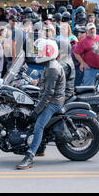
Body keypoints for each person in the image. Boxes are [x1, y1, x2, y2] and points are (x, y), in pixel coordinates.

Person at [16, 38, 66, 170]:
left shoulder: (51, 69)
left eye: (39, 52)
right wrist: (36, 82)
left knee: (38, 125)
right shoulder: (49, 65)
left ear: (47, 52)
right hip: (51, 98)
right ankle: (40, 148)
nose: (37, 55)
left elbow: (48, 95)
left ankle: (30, 156)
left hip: (54, 102)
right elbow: (47, 85)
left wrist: (36, 111)